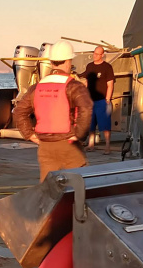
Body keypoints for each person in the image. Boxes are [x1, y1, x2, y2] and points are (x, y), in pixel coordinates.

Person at [12, 41, 93, 181]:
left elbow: (19, 112)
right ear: (68, 61)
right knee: (79, 186)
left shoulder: (36, 87)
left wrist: (30, 135)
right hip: (69, 144)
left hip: (45, 146)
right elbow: (86, 108)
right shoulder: (74, 86)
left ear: (51, 62)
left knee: (48, 189)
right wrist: (79, 134)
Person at [81, 45, 116, 152]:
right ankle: (91, 144)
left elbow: (110, 84)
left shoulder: (107, 67)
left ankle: (107, 146)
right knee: (91, 124)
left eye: (97, 54)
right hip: (90, 100)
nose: (94, 55)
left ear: (102, 55)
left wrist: (107, 99)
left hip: (102, 101)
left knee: (105, 124)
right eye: (94, 53)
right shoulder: (89, 67)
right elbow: (85, 81)